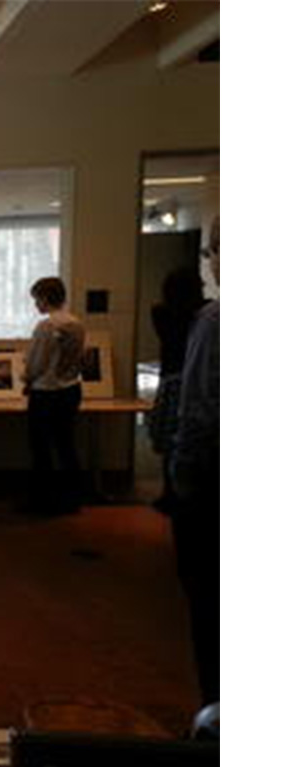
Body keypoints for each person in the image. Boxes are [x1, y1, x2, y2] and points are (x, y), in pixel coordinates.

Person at [171, 216, 219, 706]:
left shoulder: (215, 321)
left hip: (212, 481)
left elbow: (201, 408)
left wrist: (181, 481)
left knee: (211, 603)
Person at [21, 276, 86, 515]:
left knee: (41, 448)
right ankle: (71, 498)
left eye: (36, 299)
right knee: (66, 445)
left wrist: (26, 381)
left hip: (46, 393)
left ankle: (42, 500)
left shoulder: (47, 326)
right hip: (70, 390)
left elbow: (37, 363)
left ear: (46, 298)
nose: (36, 304)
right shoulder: (76, 323)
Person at [147, 267, 207, 514]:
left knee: (169, 441)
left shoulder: (160, 312)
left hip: (170, 380)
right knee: (190, 440)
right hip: (193, 380)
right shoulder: (203, 314)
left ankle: (169, 492)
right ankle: (185, 494)